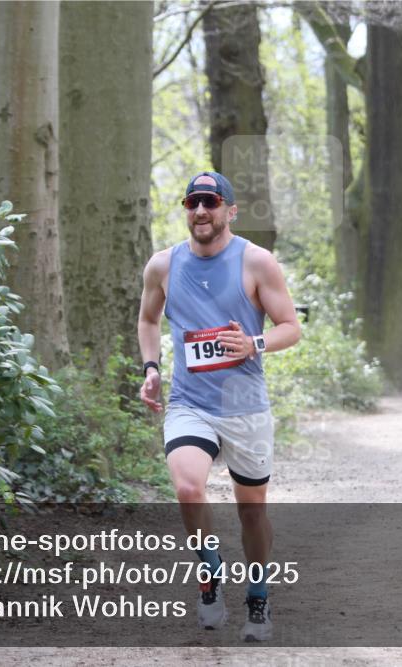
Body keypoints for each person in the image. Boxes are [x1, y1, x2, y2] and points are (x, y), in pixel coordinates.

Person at [137, 171, 301, 642]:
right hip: (190, 402)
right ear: (186, 210)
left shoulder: (256, 261)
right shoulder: (163, 266)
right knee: (189, 489)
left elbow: (291, 326)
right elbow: (148, 319)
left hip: (245, 405)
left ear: (230, 210)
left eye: (211, 201)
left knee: (252, 514)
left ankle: (258, 595)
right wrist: (151, 368)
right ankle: (209, 577)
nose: (201, 210)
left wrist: (255, 343)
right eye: (192, 202)